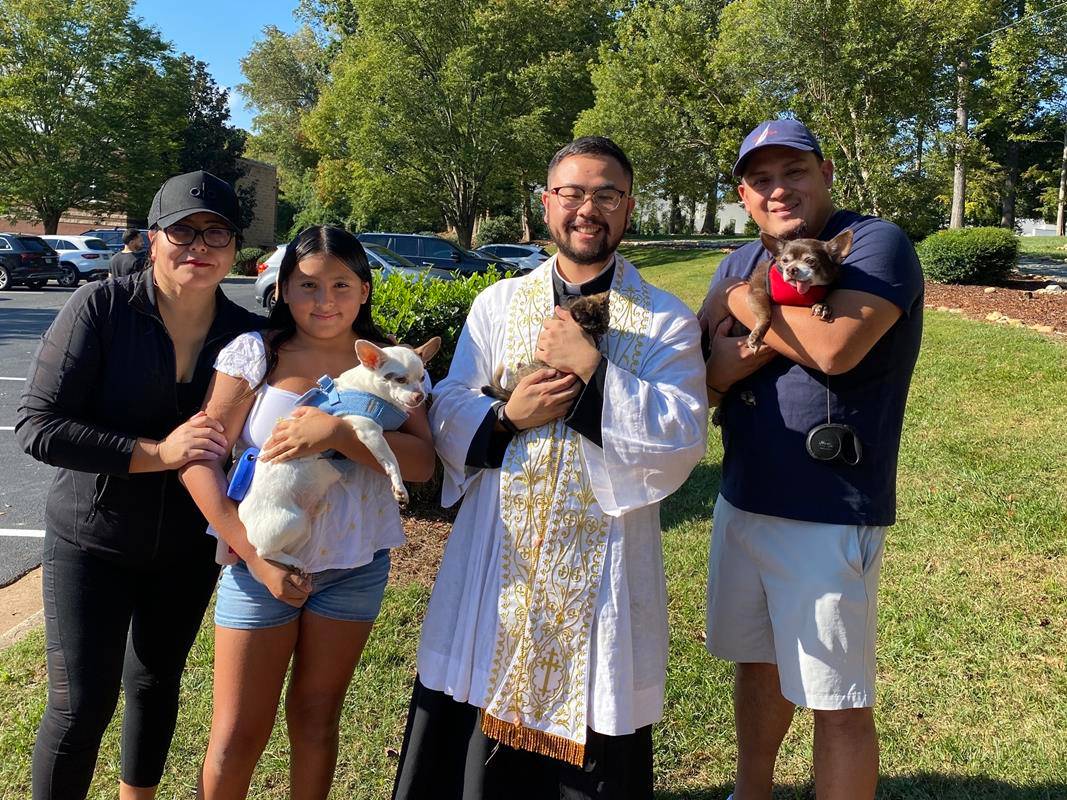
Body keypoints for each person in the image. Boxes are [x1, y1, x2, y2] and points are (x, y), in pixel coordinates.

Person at [392, 136, 708, 800]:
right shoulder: (497, 305)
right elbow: (450, 400)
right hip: (495, 557)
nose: (587, 208)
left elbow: (680, 437)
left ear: (627, 209)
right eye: (571, 192)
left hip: (602, 569)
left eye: (606, 195)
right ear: (545, 203)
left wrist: (592, 369)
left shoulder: (665, 322)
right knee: (469, 726)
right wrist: (508, 418)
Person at [16, 170, 262, 800]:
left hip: (184, 549)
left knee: (155, 684)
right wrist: (157, 453)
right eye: (182, 231)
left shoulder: (245, 336)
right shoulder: (101, 307)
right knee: (81, 707)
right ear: (152, 239)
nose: (198, 246)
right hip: (91, 539)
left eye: (216, 233)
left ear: (235, 249)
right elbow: (38, 427)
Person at [699, 119, 924, 800]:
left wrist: (749, 308)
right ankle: (751, 793)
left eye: (792, 172)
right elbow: (706, 366)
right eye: (760, 179)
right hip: (742, 494)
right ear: (742, 193)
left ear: (824, 173)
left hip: (826, 505)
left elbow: (835, 351)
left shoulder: (871, 243)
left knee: (838, 697)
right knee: (756, 664)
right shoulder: (738, 259)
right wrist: (744, 310)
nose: (778, 189)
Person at [180, 225, 436, 800]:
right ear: (282, 290)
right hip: (258, 567)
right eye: (307, 285)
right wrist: (252, 556)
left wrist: (340, 434)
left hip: (354, 566)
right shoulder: (257, 354)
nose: (325, 301)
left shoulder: (391, 362)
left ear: (366, 290)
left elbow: (422, 465)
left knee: (317, 720)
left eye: (342, 284)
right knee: (238, 732)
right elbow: (199, 459)